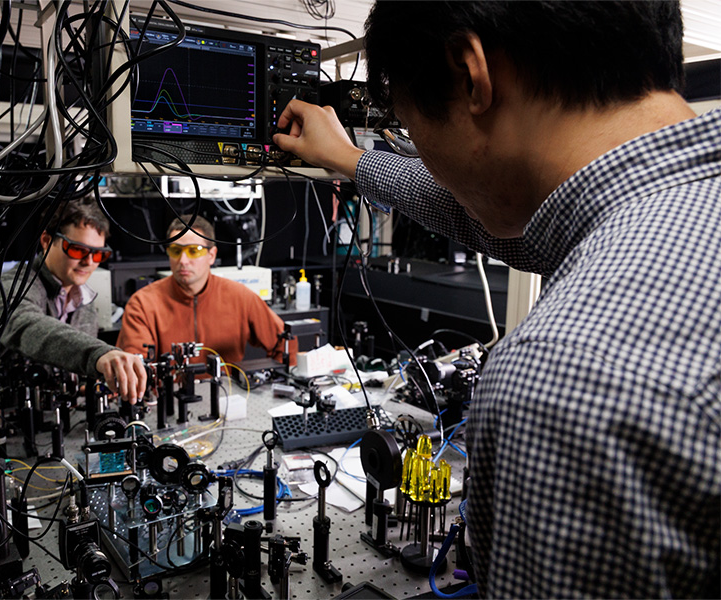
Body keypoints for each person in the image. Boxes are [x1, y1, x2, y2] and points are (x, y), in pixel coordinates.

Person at [273, 1, 720, 598]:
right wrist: (353, 160)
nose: (420, 149)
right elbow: (495, 216)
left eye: (408, 128)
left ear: (468, 73)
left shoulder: (563, 383)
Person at [0, 198, 146, 402]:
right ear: (46, 241)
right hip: (0, 420)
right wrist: (97, 353)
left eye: (98, 254)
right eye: (77, 249)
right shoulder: (11, 287)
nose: (88, 262)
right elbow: (26, 324)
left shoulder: (84, 302)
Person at [117, 214, 296, 367]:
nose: (183, 260)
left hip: (227, 399)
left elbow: (286, 344)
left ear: (212, 255)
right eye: (176, 251)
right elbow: (133, 366)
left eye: (194, 251)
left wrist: (275, 386)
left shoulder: (240, 297)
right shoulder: (143, 304)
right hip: (169, 402)